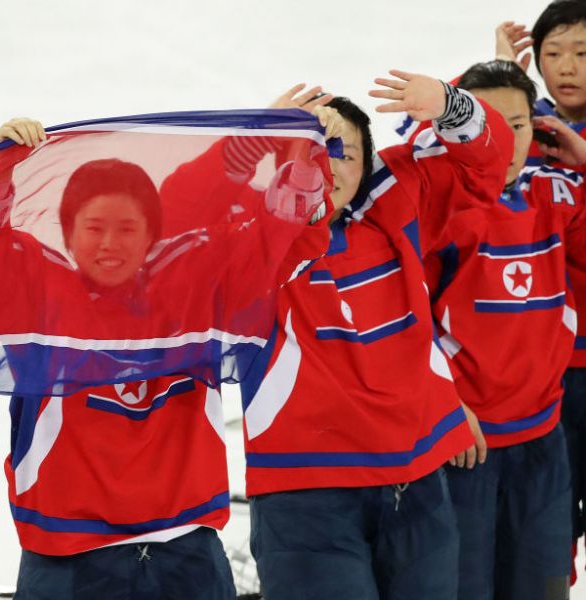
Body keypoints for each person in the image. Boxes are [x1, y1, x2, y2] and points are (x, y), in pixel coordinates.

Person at [0, 111, 338, 599]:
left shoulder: (198, 293)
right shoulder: (35, 299)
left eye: (127, 228)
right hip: (67, 554)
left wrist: (306, 158)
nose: (109, 243)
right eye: (94, 227)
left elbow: (283, 242)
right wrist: (0, 171)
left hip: (185, 550)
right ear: (68, 232)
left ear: (151, 233)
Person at [195, 72, 511, 599]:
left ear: (366, 168)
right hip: (306, 495)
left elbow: (484, 165)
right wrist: (254, 140)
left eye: (345, 153)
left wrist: (452, 105)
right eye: (312, 149)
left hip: (417, 484)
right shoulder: (248, 238)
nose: (329, 165)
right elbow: (176, 212)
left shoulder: (396, 209)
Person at [410, 59, 586, 599]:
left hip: (543, 440)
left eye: (516, 125)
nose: (503, 142)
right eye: (485, 125)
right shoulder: (428, 208)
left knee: (543, 589)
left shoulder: (554, 192)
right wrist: (442, 403)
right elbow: (399, 322)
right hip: (464, 446)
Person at [496, 4, 586, 580]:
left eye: (581, 52)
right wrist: (502, 82)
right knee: (545, 533)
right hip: (543, 371)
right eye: (551, 53)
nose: (566, 67)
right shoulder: (523, 130)